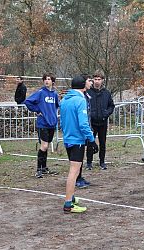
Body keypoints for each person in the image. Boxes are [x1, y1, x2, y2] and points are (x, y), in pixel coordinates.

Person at [60, 75, 98, 213]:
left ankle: (72, 196)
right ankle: (68, 203)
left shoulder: (65, 100)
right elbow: (83, 124)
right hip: (77, 140)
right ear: (83, 86)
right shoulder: (80, 100)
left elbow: (63, 121)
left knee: (73, 169)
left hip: (68, 139)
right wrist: (92, 140)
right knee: (74, 172)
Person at [24, 73, 59, 178]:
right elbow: (28, 101)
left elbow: (57, 105)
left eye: (49, 79)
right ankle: (38, 169)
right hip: (42, 123)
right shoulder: (40, 93)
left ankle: (44, 168)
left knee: (47, 146)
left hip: (51, 123)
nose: (47, 81)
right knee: (43, 146)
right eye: (45, 79)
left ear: (52, 81)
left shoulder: (55, 94)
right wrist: (37, 110)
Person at [86, 70, 115, 170]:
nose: (97, 81)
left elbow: (111, 106)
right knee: (90, 142)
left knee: (103, 143)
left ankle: (102, 162)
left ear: (102, 80)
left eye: (99, 79)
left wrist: (106, 113)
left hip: (103, 122)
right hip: (92, 122)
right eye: (95, 79)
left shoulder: (106, 93)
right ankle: (89, 162)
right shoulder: (88, 92)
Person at [75, 74, 93, 188]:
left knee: (81, 156)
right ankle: (76, 178)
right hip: (78, 133)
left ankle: (79, 176)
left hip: (86, 128)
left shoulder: (87, 96)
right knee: (77, 157)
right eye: (89, 81)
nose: (91, 83)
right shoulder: (80, 98)